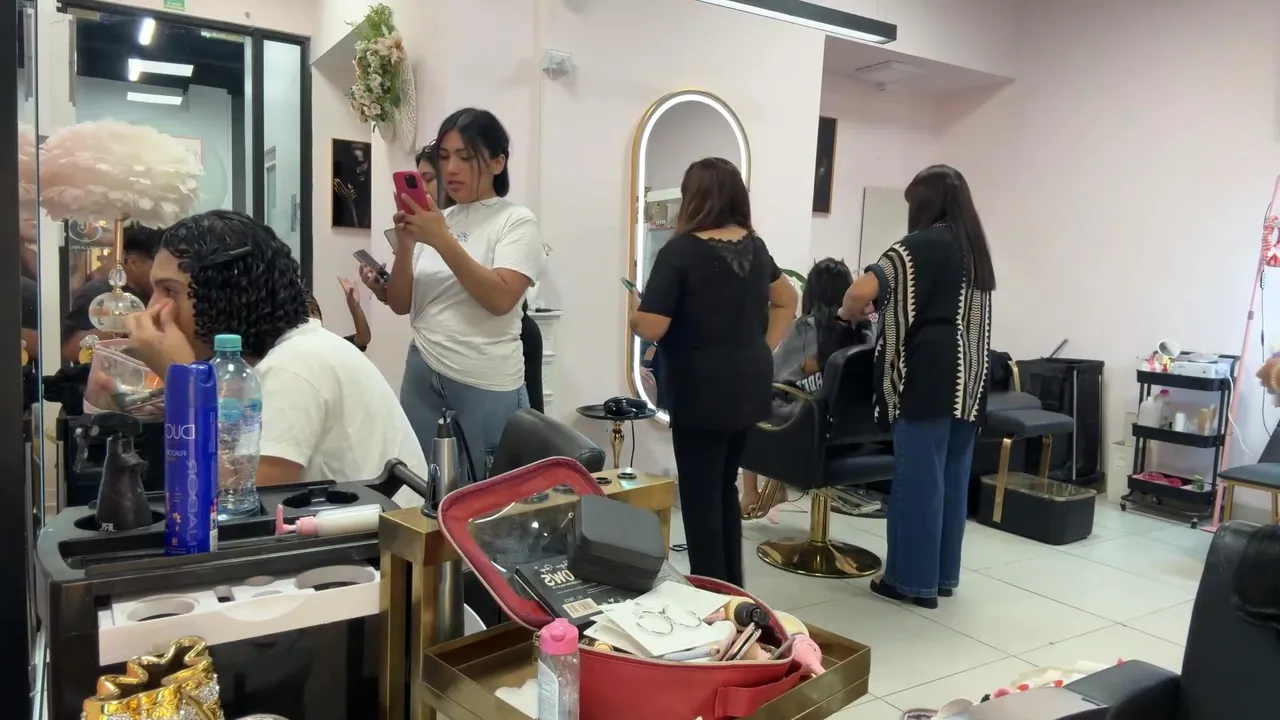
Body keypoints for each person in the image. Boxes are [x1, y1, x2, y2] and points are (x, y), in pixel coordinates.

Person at [122, 210, 428, 488]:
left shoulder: (293, 365)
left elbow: (237, 498)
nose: (153, 309)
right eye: (154, 291)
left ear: (227, 295)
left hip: (384, 533)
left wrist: (181, 378)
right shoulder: (274, 358)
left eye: (169, 291)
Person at [629, 157, 798, 586]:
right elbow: (788, 298)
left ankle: (710, 595)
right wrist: (761, 346)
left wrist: (634, 313)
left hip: (701, 391)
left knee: (701, 498)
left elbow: (652, 326)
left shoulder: (680, 252)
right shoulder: (755, 247)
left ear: (694, 198)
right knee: (723, 488)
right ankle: (731, 589)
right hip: (747, 386)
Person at [837, 164, 995, 609]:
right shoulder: (974, 249)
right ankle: (941, 576)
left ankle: (909, 582)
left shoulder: (918, 245)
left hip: (927, 374)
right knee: (950, 480)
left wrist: (848, 315)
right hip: (970, 379)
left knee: (918, 481)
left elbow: (860, 291)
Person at [361, 109, 546, 483]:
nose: (452, 168)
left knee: (489, 496)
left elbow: (500, 299)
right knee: (420, 486)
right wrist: (407, 245)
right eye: (445, 157)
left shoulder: (515, 221)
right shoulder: (439, 219)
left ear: (498, 162)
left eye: (466, 157)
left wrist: (441, 239)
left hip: (484, 381)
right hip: (423, 371)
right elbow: (401, 304)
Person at [740, 257, 869, 518]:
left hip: (808, 426)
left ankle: (751, 493)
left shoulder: (808, 328)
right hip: (851, 432)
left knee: (748, 402)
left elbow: (774, 374)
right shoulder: (865, 332)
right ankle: (771, 490)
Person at [62, 224, 163, 363]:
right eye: (159, 265)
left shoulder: (158, 295)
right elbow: (68, 348)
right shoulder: (98, 294)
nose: (162, 274)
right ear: (133, 262)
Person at [306, 278, 372, 351]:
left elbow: (363, 339)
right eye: (305, 313)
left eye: (313, 312)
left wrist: (355, 306)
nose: (311, 318)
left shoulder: (331, 346)